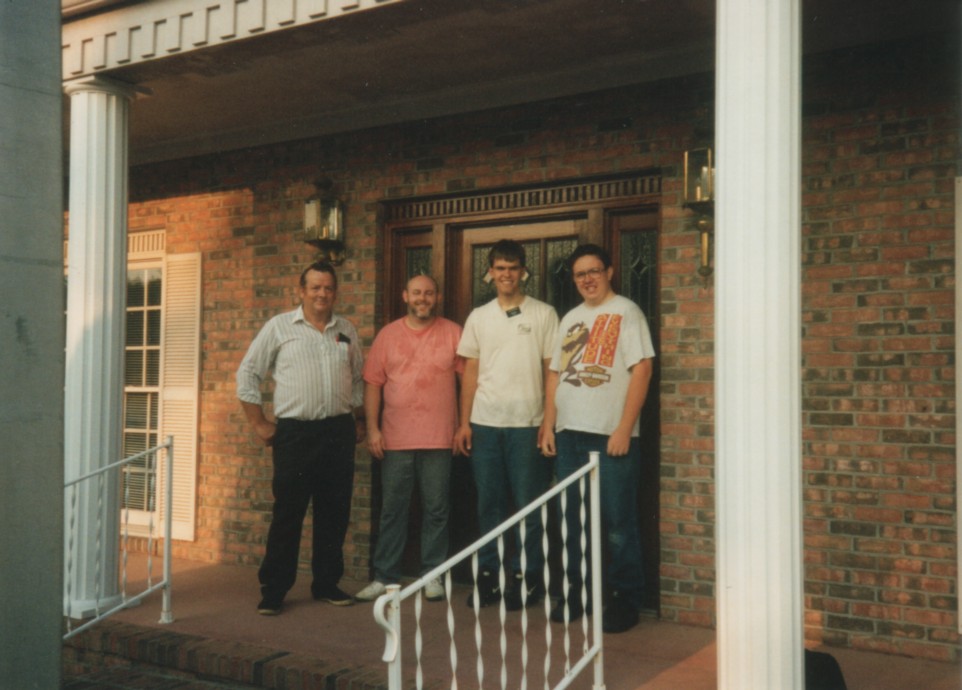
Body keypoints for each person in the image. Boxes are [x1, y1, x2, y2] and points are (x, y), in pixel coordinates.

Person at [236, 261, 365, 616]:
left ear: (335, 292)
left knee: (334, 513)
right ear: (302, 291)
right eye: (315, 287)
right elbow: (247, 374)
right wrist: (259, 423)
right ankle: (274, 590)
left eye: (328, 288)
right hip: (296, 433)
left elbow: (357, 378)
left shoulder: (346, 330)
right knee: (288, 513)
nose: (322, 294)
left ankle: (326, 583)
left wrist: (358, 418)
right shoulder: (279, 327)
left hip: (337, 432)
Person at [541, 243, 655, 634]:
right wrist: (549, 425)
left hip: (610, 437)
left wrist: (624, 428)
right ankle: (578, 592)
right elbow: (555, 373)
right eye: (580, 274)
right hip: (569, 435)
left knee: (618, 523)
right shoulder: (571, 318)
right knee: (572, 519)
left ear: (609, 272)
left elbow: (642, 369)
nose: (587, 279)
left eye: (594, 271)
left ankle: (625, 598)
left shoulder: (627, 311)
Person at [454, 239, 559, 610]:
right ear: (490, 272)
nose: (507, 274)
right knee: (490, 505)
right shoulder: (479, 317)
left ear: (523, 271)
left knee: (528, 507)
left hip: (527, 425)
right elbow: (470, 372)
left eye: (513, 268)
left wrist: (548, 422)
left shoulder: (544, 314)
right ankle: (489, 578)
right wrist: (464, 423)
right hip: (485, 425)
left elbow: (552, 372)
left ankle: (526, 579)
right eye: (500, 268)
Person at [354, 275, 464, 603]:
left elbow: (469, 381)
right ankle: (384, 577)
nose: (422, 298)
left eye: (428, 293)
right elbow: (373, 384)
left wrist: (463, 425)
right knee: (393, 510)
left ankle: (432, 576)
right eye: (416, 292)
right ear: (405, 296)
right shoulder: (388, 335)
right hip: (395, 438)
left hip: (440, 438)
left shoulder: (453, 332)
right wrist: (373, 429)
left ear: (437, 297)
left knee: (437, 509)